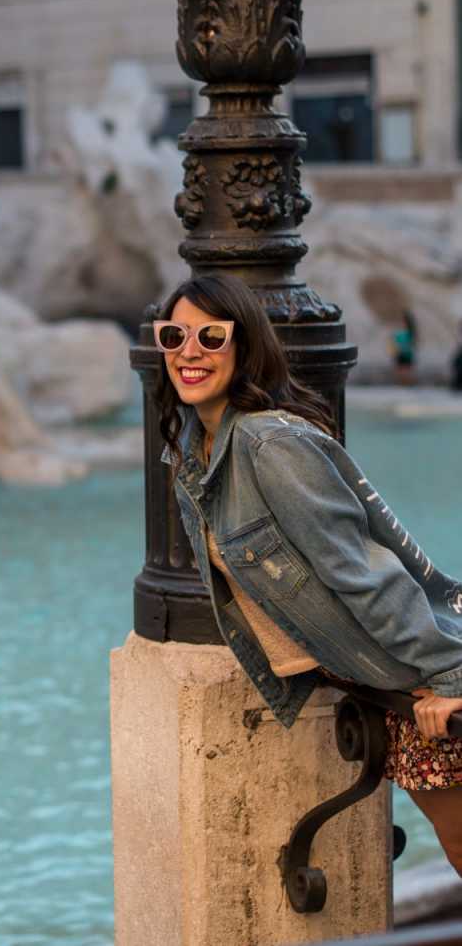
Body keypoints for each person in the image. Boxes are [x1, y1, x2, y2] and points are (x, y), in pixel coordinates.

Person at [155, 273, 462, 874]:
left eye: (211, 337)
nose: (189, 352)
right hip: (386, 680)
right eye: (174, 336)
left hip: (425, 670)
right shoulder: (194, 452)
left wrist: (451, 676)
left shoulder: (270, 445)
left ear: (245, 348)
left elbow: (363, 575)